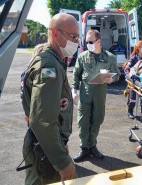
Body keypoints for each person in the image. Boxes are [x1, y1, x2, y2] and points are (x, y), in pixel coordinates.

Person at [21, 13, 79, 184]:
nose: (76, 42)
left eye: (77, 37)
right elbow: (43, 121)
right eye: (73, 36)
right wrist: (62, 162)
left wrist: (60, 143)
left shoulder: (53, 60)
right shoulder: (49, 66)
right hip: (43, 149)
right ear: (55, 34)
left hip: (45, 145)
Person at [71, 29, 121, 162]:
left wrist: (113, 79)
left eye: (90, 41)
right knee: (82, 121)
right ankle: (84, 148)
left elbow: (117, 74)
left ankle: (92, 146)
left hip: (99, 95)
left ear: (98, 41)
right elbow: (76, 74)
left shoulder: (109, 57)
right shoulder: (83, 56)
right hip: (85, 94)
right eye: (86, 41)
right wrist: (74, 92)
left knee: (97, 120)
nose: (87, 44)